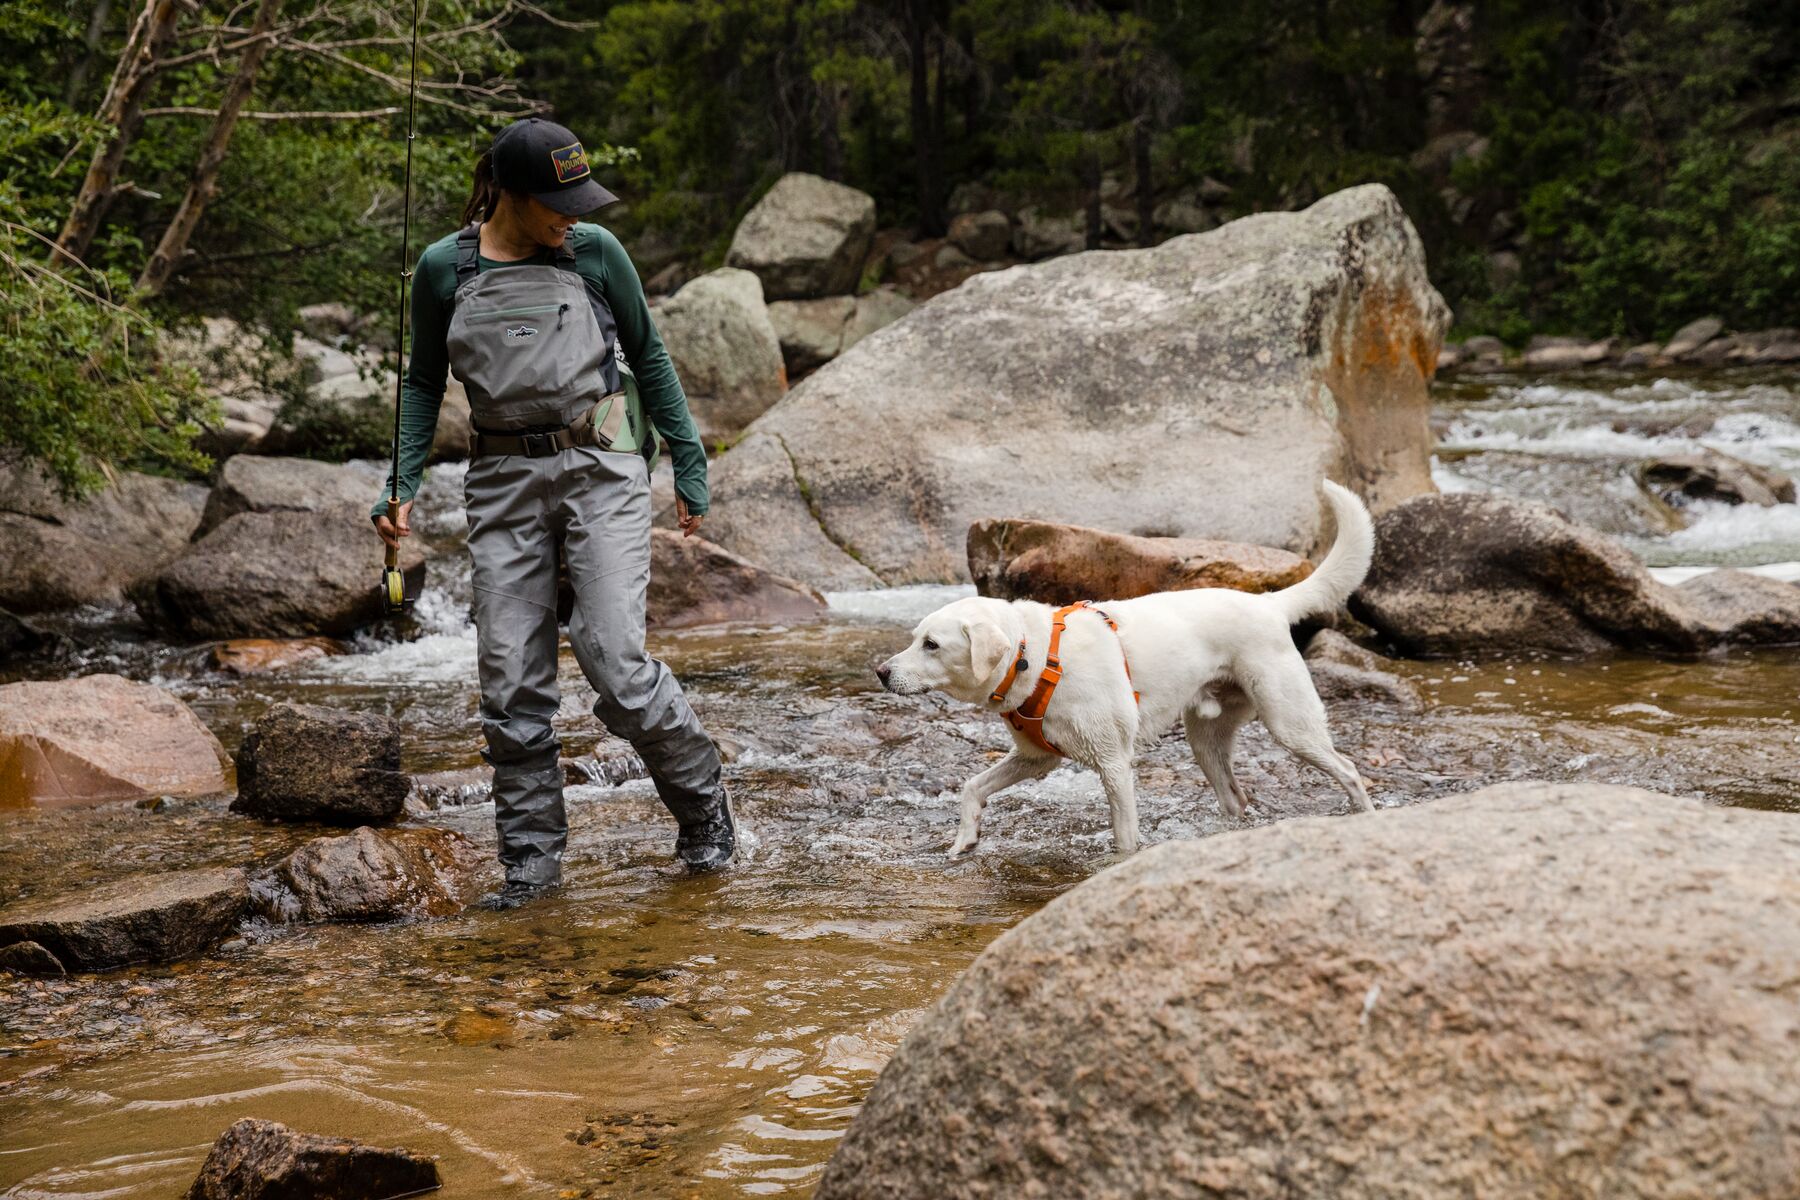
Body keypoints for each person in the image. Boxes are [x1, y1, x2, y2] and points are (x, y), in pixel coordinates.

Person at [371, 117, 734, 906]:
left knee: (614, 660)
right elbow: (424, 382)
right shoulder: (443, 269)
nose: (573, 212)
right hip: (501, 481)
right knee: (509, 682)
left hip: (601, 467)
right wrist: (398, 482)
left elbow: (649, 353)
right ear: (510, 193)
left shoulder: (595, 252)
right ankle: (531, 868)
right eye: (557, 200)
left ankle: (705, 811)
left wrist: (689, 460)